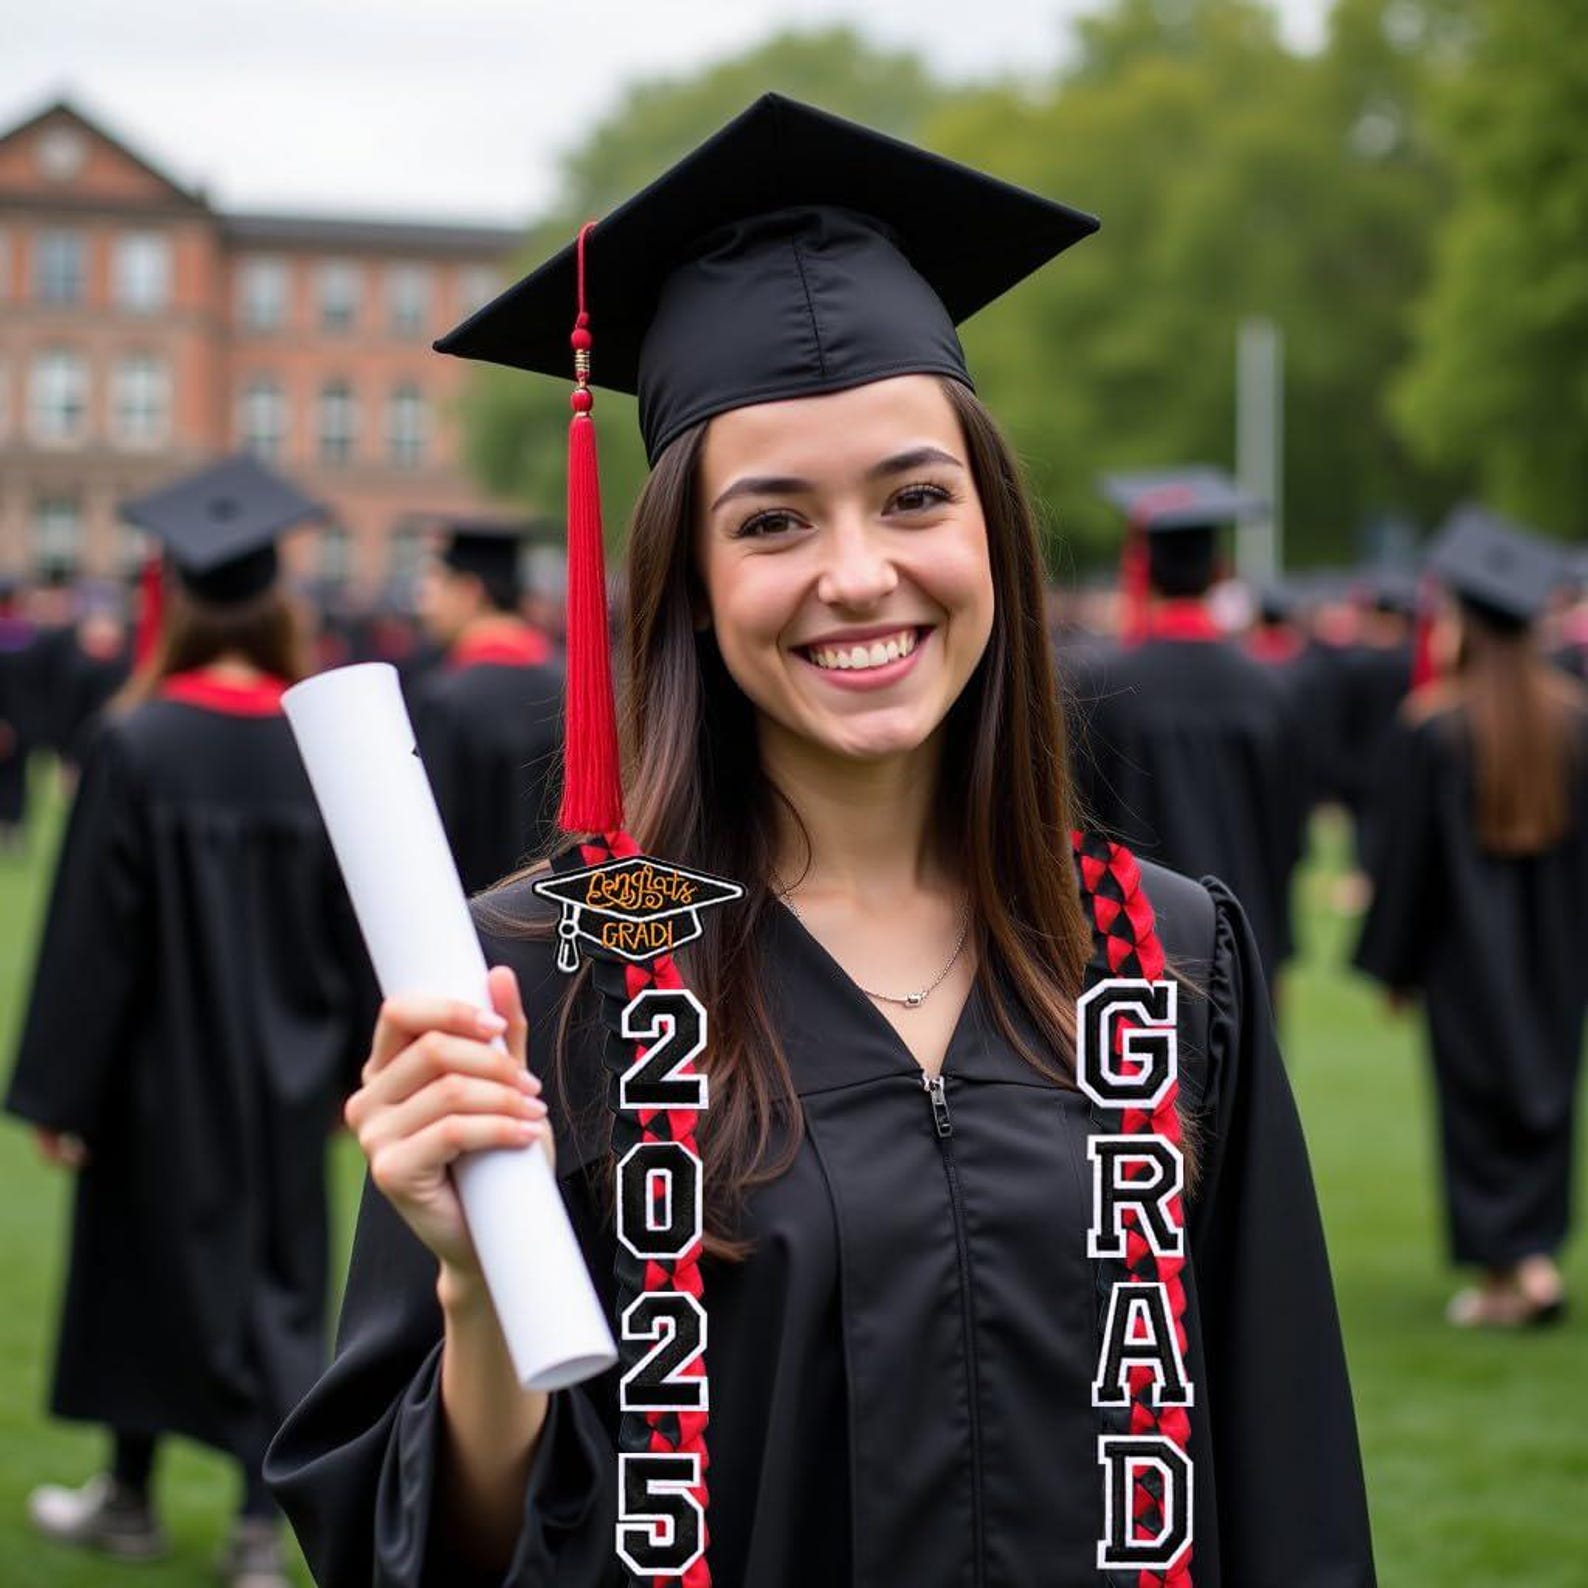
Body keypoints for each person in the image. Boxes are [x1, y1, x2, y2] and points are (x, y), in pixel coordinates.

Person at [266, 95, 1375, 1585]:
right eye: (774, 522)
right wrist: (471, 1294)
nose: (861, 575)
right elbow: (435, 1557)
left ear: (992, 531)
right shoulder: (556, 959)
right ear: (690, 581)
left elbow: (1289, 1486)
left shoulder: (1164, 958)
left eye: (916, 498)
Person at [5, 456, 377, 1587]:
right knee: (275, 1283)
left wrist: (62, 1093)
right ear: (277, 602)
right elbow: (363, 921)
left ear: (170, 600)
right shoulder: (318, 743)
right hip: (289, 1072)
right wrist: (355, 1066)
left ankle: (135, 1499)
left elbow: (89, 941)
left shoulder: (137, 742)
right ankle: (254, 1533)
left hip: (154, 1080)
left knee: (137, 1270)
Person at [1355, 505, 1588, 1329]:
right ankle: (1537, 1262)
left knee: (1476, 1106)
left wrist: (1395, 966)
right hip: (1560, 955)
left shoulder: (1438, 727)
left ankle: (1506, 1276)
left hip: (1465, 960)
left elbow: (1407, 864)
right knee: (1546, 1095)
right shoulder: (1575, 720)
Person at [1065, 467, 1308, 984]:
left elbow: (1080, 826)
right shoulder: (1271, 689)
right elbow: (1289, 835)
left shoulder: (1102, 686)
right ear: (1221, 574)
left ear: (1143, 570)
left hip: (1131, 943)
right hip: (1242, 937)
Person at [412, 521, 564, 894]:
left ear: (469, 591)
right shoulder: (573, 684)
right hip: (565, 922)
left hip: (475, 925)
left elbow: (432, 837)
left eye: (433, 583)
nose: (423, 603)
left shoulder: (446, 698)